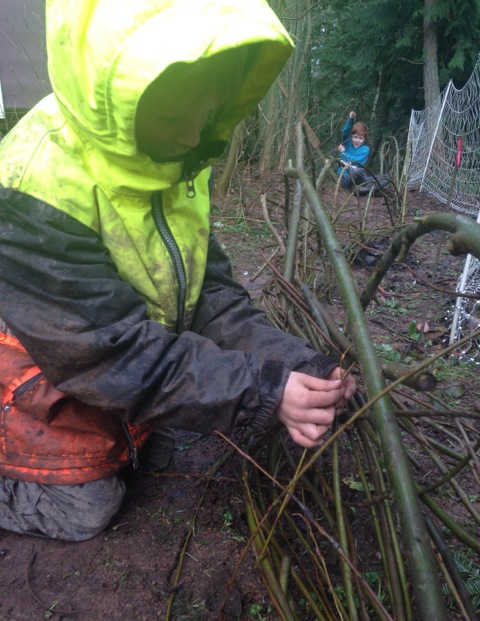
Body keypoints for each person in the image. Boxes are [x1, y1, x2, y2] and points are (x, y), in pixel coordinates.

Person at [0, 0, 356, 541]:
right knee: (86, 507)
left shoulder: (175, 160)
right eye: (174, 114)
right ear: (113, 100)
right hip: (30, 351)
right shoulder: (34, 187)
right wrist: (260, 391)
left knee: (152, 442)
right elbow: (105, 351)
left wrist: (291, 363)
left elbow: (209, 295)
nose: (195, 135)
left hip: (101, 347)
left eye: (209, 109)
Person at [337, 111, 370, 189]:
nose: (357, 140)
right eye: (355, 137)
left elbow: (356, 161)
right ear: (351, 136)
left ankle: (362, 185)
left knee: (359, 172)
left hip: (357, 176)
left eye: (361, 138)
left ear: (365, 139)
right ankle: (350, 186)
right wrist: (351, 119)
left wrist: (343, 152)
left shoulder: (365, 149)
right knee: (346, 179)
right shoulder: (348, 143)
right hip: (345, 176)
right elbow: (345, 133)